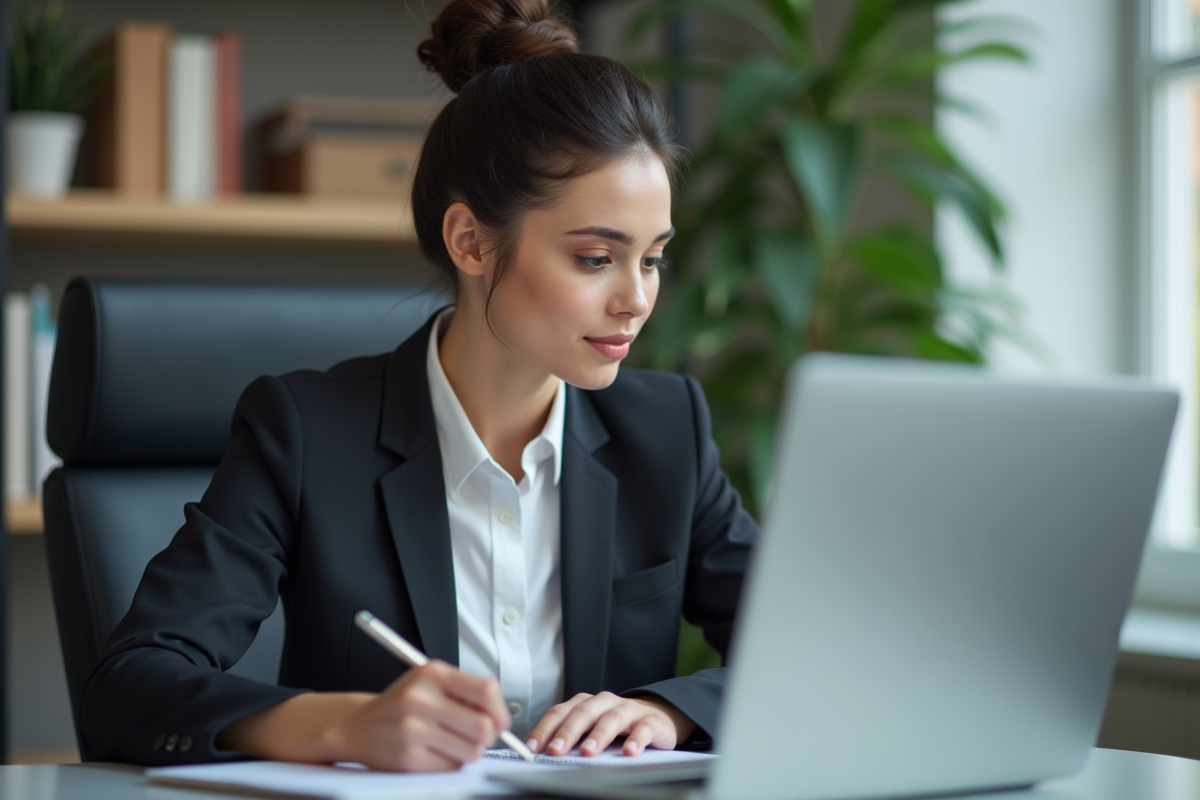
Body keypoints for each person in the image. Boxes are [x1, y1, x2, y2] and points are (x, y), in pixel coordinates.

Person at [80, 0, 757, 772]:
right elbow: (126, 690)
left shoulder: (665, 430)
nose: (637, 298)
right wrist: (342, 727)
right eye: (596, 258)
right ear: (470, 241)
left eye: (654, 258)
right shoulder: (304, 432)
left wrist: (669, 711)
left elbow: (810, 655)